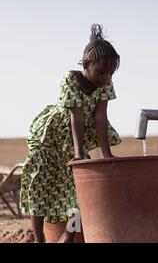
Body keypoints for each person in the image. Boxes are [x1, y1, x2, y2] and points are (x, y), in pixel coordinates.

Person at [20, 24, 121, 243]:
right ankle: (39, 239)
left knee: (79, 189)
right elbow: (77, 116)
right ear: (86, 64)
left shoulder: (106, 83)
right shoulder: (70, 80)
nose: (106, 77)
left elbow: (100, 117)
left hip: (75, 139)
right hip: (49, 138)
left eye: (111, 72)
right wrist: (79, 153)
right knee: (40, 185)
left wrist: (107, 154)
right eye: (102, 72)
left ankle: (68, 235)